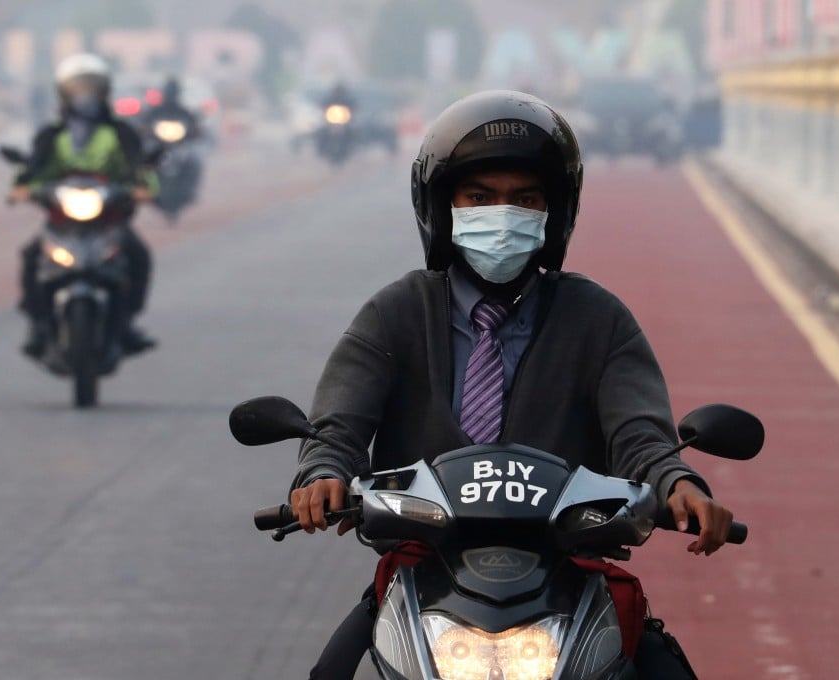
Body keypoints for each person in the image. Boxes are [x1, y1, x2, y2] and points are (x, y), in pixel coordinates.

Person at [287, 90, 732, 679]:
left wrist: (675, 482)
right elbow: (339, 423)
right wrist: (323, 473)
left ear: (555, 213)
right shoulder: (394, 313)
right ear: (443, 209)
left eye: (524, 200)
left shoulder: (599, 319)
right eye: (480, 198)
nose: (503, 214)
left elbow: (640, 433)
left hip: (569, 575)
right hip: (424, 570)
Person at [10, 53, 158, 357]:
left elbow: (140, 169)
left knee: (139, 255)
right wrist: (25, 188)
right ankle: (38, 323)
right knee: (30, 256)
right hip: (61, 221)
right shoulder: (52, 135)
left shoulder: (120, 133)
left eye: (91, 86)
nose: (85, 94)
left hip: (109, 221)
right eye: (78, 87)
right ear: (64, 91)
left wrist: (142, 188)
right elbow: (34, 170)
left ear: (105, 90)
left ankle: (128, 323)